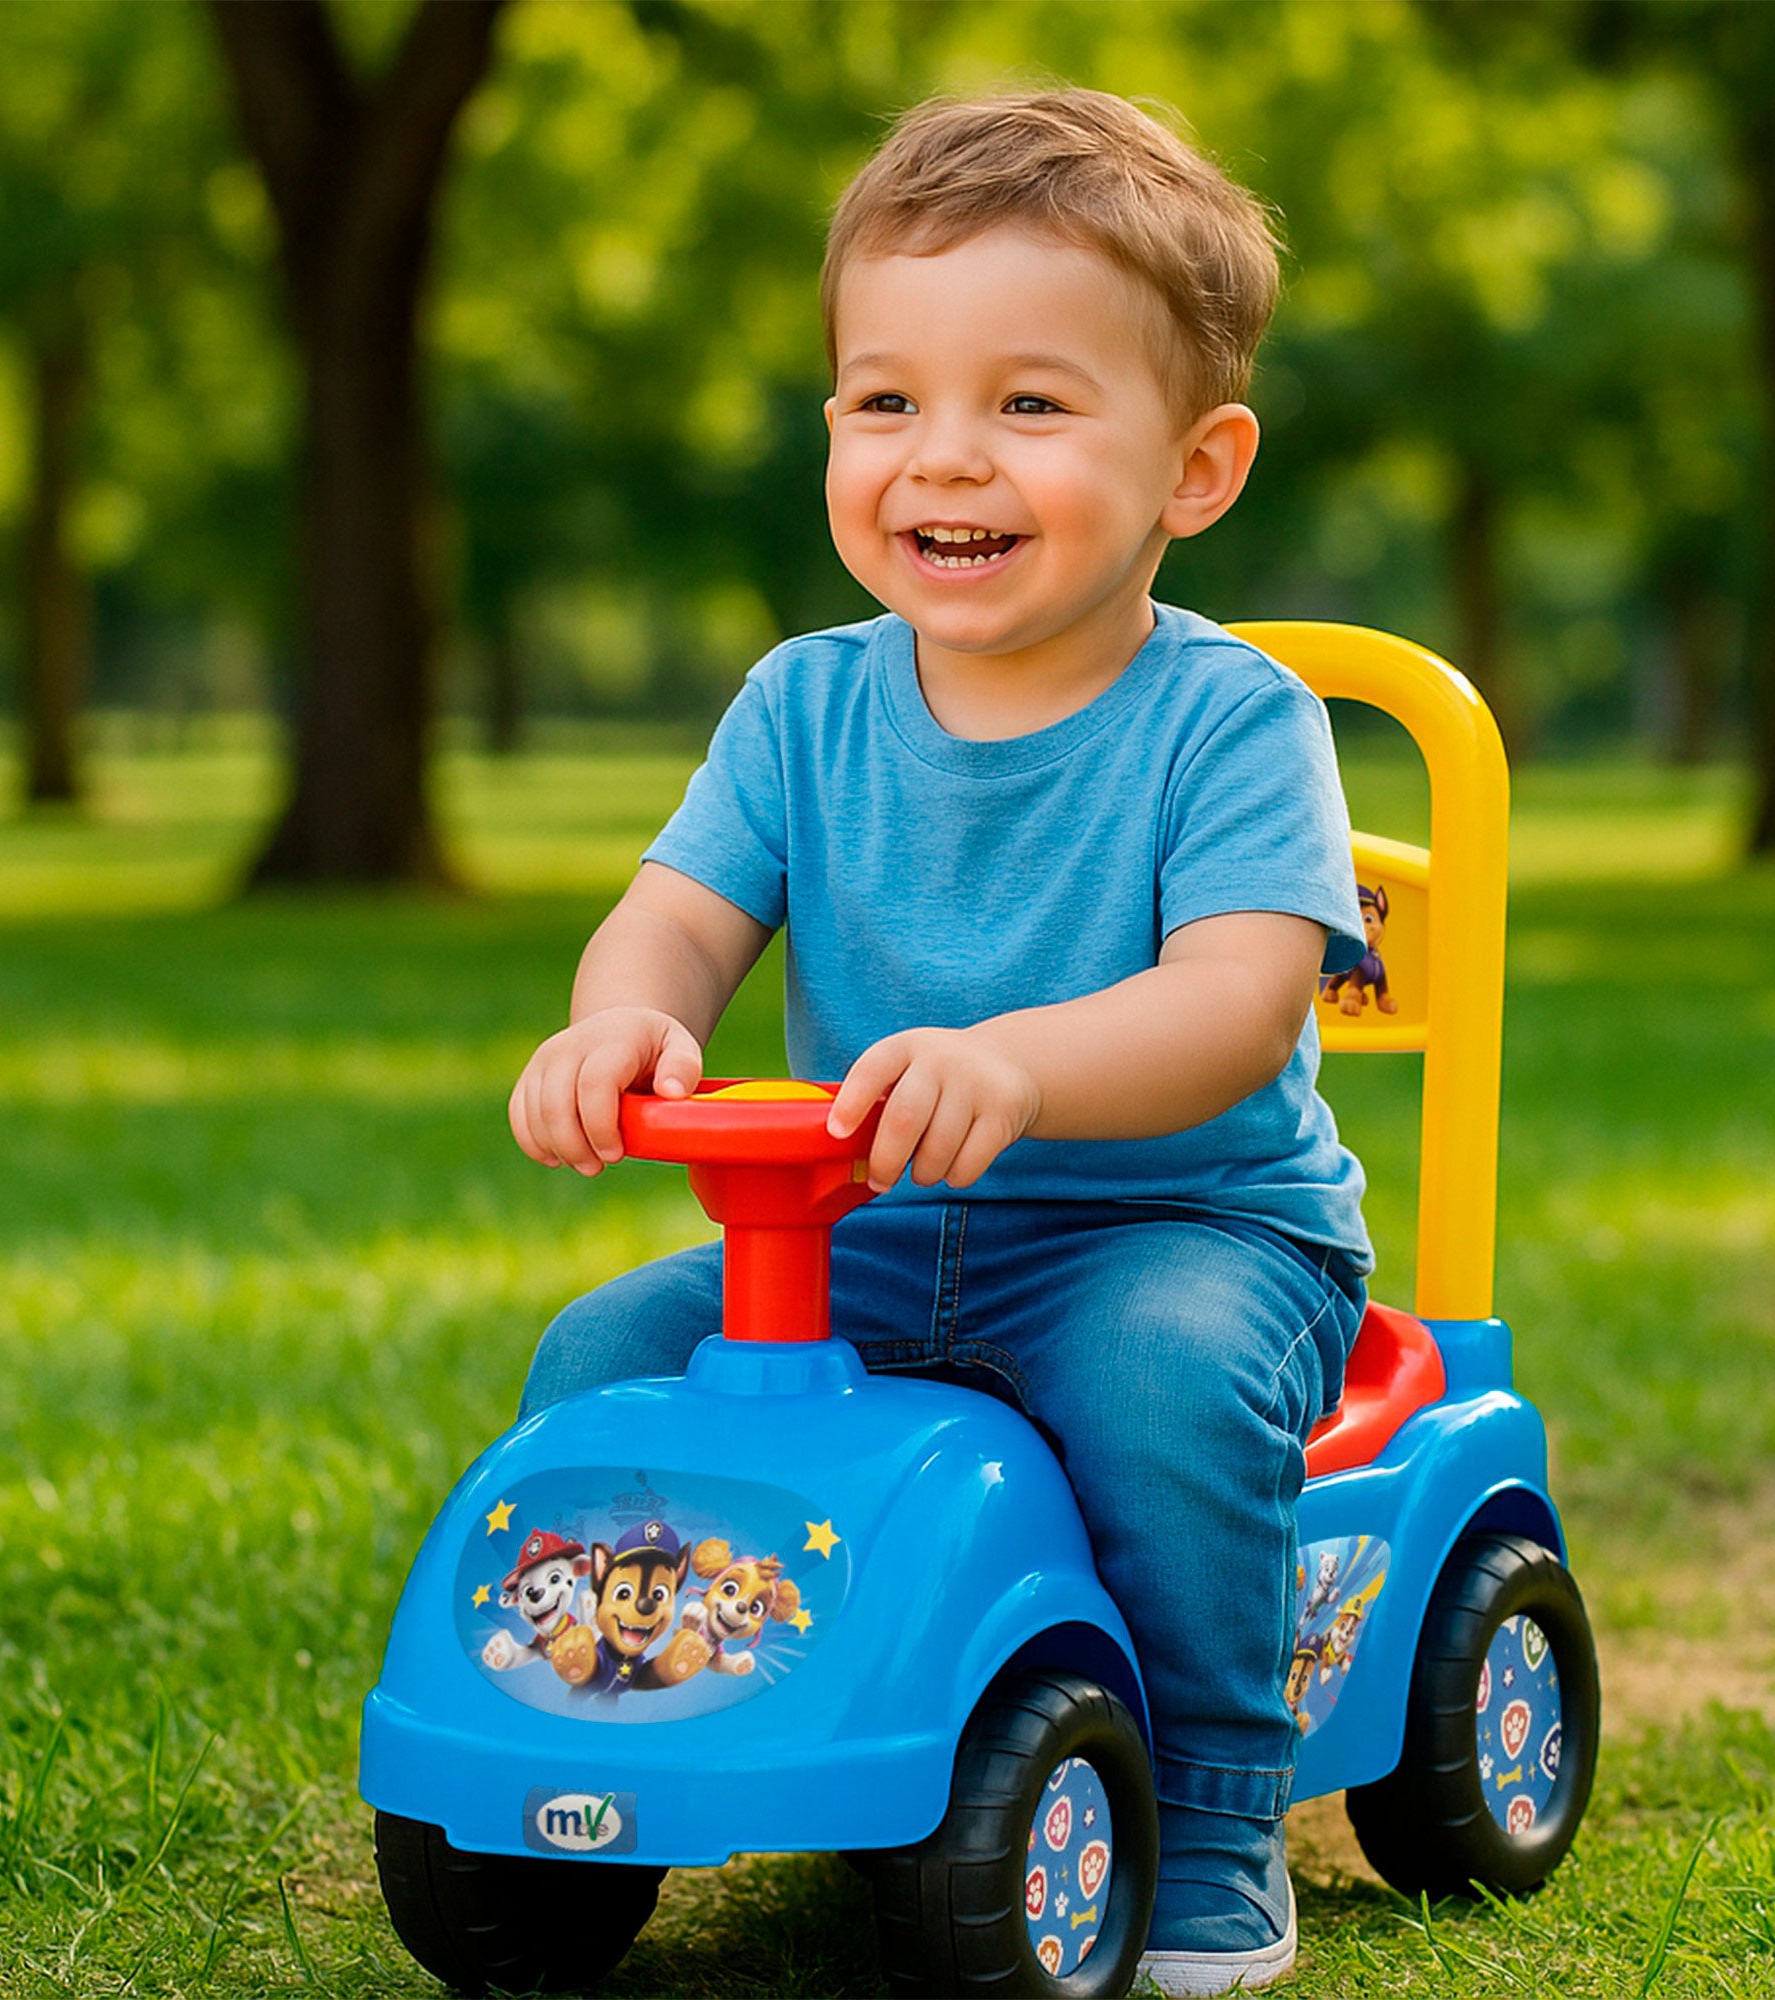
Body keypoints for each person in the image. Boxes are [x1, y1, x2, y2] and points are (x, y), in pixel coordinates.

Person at [509, 87, 1373, 1996]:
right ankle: (590, 1742)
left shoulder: (1232, 723)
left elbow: (1236, 1006)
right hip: (868, 1239)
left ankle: (1218, 1804)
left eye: (1031, 406)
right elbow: (678, 911)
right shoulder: (803, 707)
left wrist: (1027, 1067)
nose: (941, 458)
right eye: (884, 401)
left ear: (1197, 468)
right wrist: (622, 1018)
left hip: (1184, 1236)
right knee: (601, 1363)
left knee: (1156, 1382)